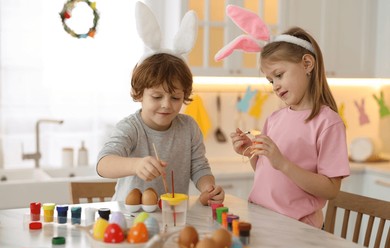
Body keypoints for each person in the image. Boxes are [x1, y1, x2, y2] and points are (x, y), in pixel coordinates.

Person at [217, 5, 350, 228]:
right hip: (262, 218)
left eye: (279, 75)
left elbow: (331, 189)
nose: (275, 86)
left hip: (297, 228)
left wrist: (283, 163)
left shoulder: (328, 122)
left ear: (307, 64)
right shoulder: (275, 118)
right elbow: (267, 171)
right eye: (270, 80)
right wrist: (252, 152)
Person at [97, 2, 224, 206]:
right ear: (140, 94)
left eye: (175, 98)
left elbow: (200, 167)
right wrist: (136, 165)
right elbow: (103, 164)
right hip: (131, 219)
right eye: (157, 97)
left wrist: (208, 187)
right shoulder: (131, 128)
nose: (166, 105)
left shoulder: (189, 127)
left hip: (172, 214)